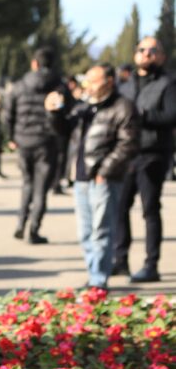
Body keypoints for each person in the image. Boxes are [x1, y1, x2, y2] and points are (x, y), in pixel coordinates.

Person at [49, 64, 138, 289]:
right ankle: (94, 276)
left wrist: (105, 171)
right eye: (86, 80)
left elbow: (128, 144)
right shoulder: (85, 106)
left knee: (102, 231)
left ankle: (98, 281)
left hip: (104, 178)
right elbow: (64, 130)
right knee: (85, 232)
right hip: (81, 177)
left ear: (109, 81)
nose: (88, 85)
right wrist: (54, 112)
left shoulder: (123, 106)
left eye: (94, 81)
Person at [113, 35, 176, 283]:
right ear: (135, 54)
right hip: (127, 154)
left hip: (153, 153)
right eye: (142, 49)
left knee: (150, 209)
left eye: (152, 50)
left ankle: (151, 265)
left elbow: (171, 116)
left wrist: (142, 115)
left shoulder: (168, 83)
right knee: (120, 207)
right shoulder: (125, 86)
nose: (146, 54)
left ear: (161, 56)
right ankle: (120, 260)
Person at [5, 47, 65, 244]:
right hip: (46, 143)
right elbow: (64, 115)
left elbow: (8, 114)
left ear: (34, 63)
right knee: (41, 189)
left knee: (27, 184)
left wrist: (11, 137)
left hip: (24, 141)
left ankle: (20, 224)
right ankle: (33, 229)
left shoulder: (19, 86)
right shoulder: (58, 86)